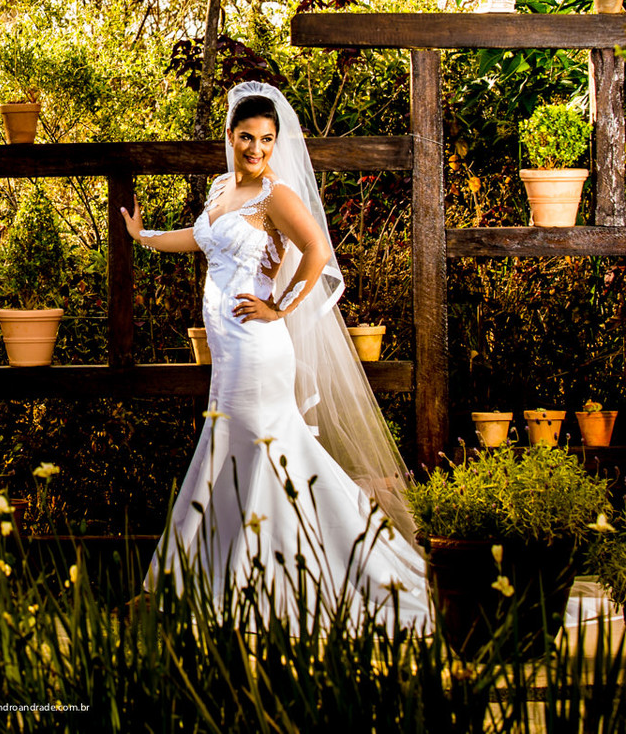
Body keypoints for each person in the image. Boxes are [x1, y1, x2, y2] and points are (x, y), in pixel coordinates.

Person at [119, 82, 431, 627]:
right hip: (227, 350)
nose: (256, 148)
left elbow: (317, 251)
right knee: (238, 451)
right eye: (247, 137)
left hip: (258, 350)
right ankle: (210, 579)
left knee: (255, 451)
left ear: (276, 142)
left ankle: (260, 585)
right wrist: (145, 237)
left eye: (266, 139)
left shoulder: (276, 196)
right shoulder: (222, 191)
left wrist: (281, 307)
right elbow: (200, 239)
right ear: (231, 137)